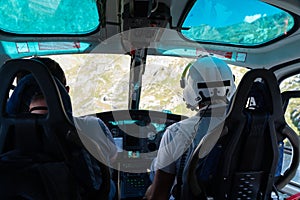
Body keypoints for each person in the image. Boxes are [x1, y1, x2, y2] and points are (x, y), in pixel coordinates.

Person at [8, 57, 118, 199]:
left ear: (19, 93)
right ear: (65, 91)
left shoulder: (5, 133)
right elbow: (112, 159)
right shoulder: (93, 125)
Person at [144, 56, 236, 200]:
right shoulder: (253, 129)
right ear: (231, 85)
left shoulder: (176, 133)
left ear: (191, 89)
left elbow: (159, 195)